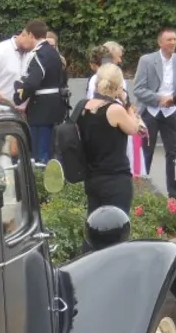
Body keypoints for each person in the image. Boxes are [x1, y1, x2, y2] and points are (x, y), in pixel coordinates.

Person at [78, 64, 144, 218]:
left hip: (92, 177)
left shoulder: (83, 106)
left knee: (95, 222)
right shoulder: (115, 110)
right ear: (119, 86)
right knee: (117, 224)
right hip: (115, 178)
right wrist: (126, 102)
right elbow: (133, 128)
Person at [132, 28, 176, 199]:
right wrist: (159, 99)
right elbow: (138, 89)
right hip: (150, 111)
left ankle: (175, 195)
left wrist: (175, 102)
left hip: (172, 112)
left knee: (173, 153)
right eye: (169, 39)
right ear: (160, 42)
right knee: (146, 152)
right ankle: (142, 193)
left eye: (175, 39)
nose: (173, 42)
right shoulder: (147, 60)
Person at [13, 20, 67, 162]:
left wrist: (19, 96)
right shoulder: (52, 52)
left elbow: (32, 83)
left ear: (31, 35)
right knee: (50, 150)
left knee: (40, 154)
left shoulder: (39, 54)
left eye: (25, 35)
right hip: (54, 108)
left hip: (41, 110)